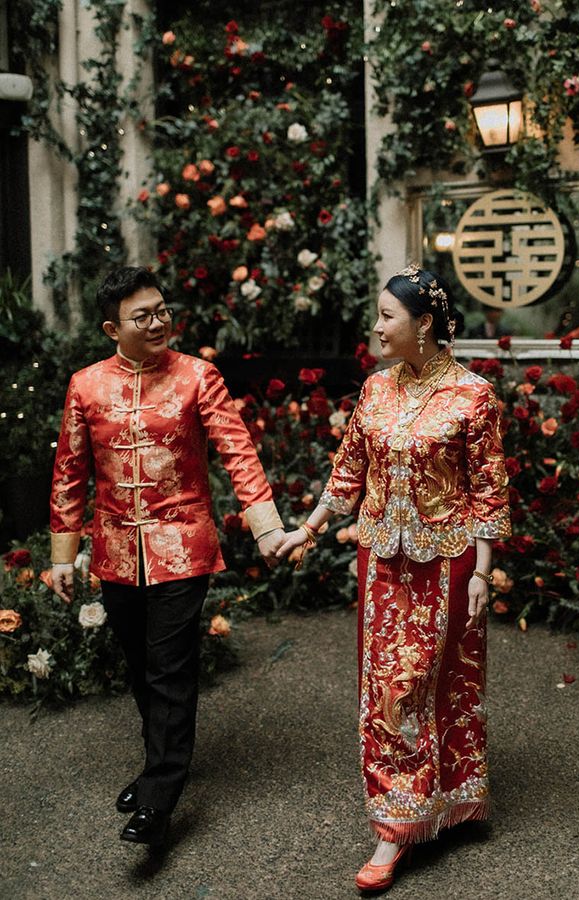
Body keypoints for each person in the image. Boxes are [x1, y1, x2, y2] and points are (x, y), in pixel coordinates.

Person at [277, 264, 511, 893]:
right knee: (390, 685)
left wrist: (484, 572)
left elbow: (489, 489)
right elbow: (349, 470)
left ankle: (453, 795)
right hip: (383, 560)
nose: (376, 327)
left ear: (424, 324)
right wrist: (310, 527)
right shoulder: (376, 390)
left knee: (447, 679)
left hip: (450, 561)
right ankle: (395, 821)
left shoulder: (473, 396)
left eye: (387, 316)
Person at [50, 266, 285, 847]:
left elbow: (239, 453)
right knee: (139, 666)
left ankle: (160, 796)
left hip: (183, 544)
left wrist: (266, 529)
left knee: (170, 667)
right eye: (143, 315)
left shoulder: (198, 377)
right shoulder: (86, 386)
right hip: (115, 550)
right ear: (113, 328)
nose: (158, 322)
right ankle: (158, 762)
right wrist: (63, 554)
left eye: (162, 310)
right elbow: (68, 474)